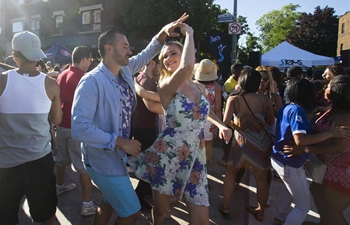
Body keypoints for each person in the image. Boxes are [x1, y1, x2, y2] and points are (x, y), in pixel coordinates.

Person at [71, 13, 190, 225]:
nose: (129, 50)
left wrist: (163, 33)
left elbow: (146, 54)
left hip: (116, 158)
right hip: (101, 160)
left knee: (109, 203)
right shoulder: (91, 82)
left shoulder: (124, 70)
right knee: (132, 212)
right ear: (109, 49)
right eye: (124, 46)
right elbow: (79, 128)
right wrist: (121, 142)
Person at [129, 24, 232, 225]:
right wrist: (190, 34)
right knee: (160, 212)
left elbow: (205, 110)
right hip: (168, 156)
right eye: (164, 57)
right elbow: (186, 67)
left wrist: (221, 125)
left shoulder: (198, 87)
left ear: (183, 53)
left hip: (196, 158)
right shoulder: (165, 87)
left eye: (173, 53)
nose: (168, 59)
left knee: (201, 219)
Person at [0, 30, 62, 225]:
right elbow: (57, 120)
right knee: (45, 216)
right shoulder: (51, 84)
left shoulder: (2, 81)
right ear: (38, 56)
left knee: (6, 216)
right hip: (39, 161)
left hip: (6, 164)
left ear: (15, 57)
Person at [271, 77, 350, 225]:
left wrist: (306, 149)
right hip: (322, 170)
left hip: (338, 173)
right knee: (322, 210)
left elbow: (338, 147)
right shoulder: (331, 110)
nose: (324, 88)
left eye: (328, 85)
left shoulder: (344, 116)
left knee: (332, 213)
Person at [219, 68, 275, 222]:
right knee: (261, 179)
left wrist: (238, 123)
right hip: (261, 143)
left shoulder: (234, 99)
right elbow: (270, 121)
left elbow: (225, 123)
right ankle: (261, 211)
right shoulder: (265, 100)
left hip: (241, 142)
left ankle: (225, 205)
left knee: (231, 172)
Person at [55, 46, 97, 216]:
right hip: (76, 127)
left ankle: (59, 185)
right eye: (90, 60)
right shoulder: (84, 78)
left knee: (61, 159)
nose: (90, 64)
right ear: (84, 59)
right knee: (83, 166)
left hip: (61, 125)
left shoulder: (61, 74)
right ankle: (87, 204)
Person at [131, 56, 163, 211]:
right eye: (159, 64)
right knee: (150, 163)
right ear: (152, 63)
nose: (160, 68)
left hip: (141, 126)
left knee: (146, 161)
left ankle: (143, 193)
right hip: (145, 128)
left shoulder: (141, 78)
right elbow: (152, 107)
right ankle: (139, 196)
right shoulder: (147, 82)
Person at [193, 59, 222, 169]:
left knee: (194, 152)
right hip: (210, 123)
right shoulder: (216, 87)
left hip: (194, 120)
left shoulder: (192, 85)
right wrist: (219, 126)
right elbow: (218, 109)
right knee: (207, 153)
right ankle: (204, 180)